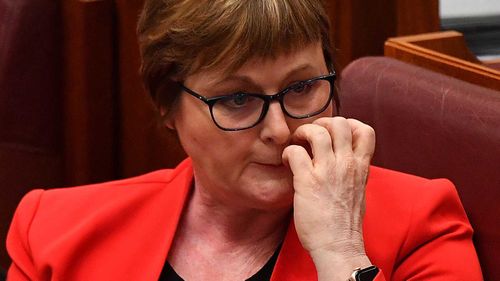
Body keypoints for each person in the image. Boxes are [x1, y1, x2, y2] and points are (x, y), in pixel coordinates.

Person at [6, 0, 482, 280]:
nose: (279, 129)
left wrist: (340, 255)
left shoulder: (420, 226)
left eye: (301, 88)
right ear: (168, 108)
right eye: (237, 98)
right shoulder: (52, 234)